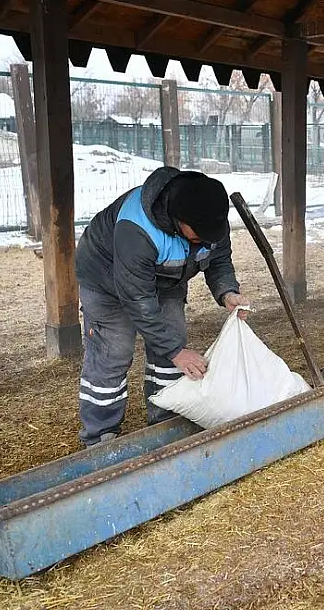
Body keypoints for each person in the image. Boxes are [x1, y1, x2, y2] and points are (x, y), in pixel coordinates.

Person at [74, 166, 251, 447]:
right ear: (178, 218)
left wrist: (227, 291)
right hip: (106, 279)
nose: (206, 238)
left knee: (173, 341)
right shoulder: (137, 229)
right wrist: (176, 352)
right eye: (199, 234)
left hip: (166, 279)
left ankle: (165, 418)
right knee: (114, 352)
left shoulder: (210, 219)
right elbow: (138, 300)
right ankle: (100, 435)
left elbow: (218, 259)